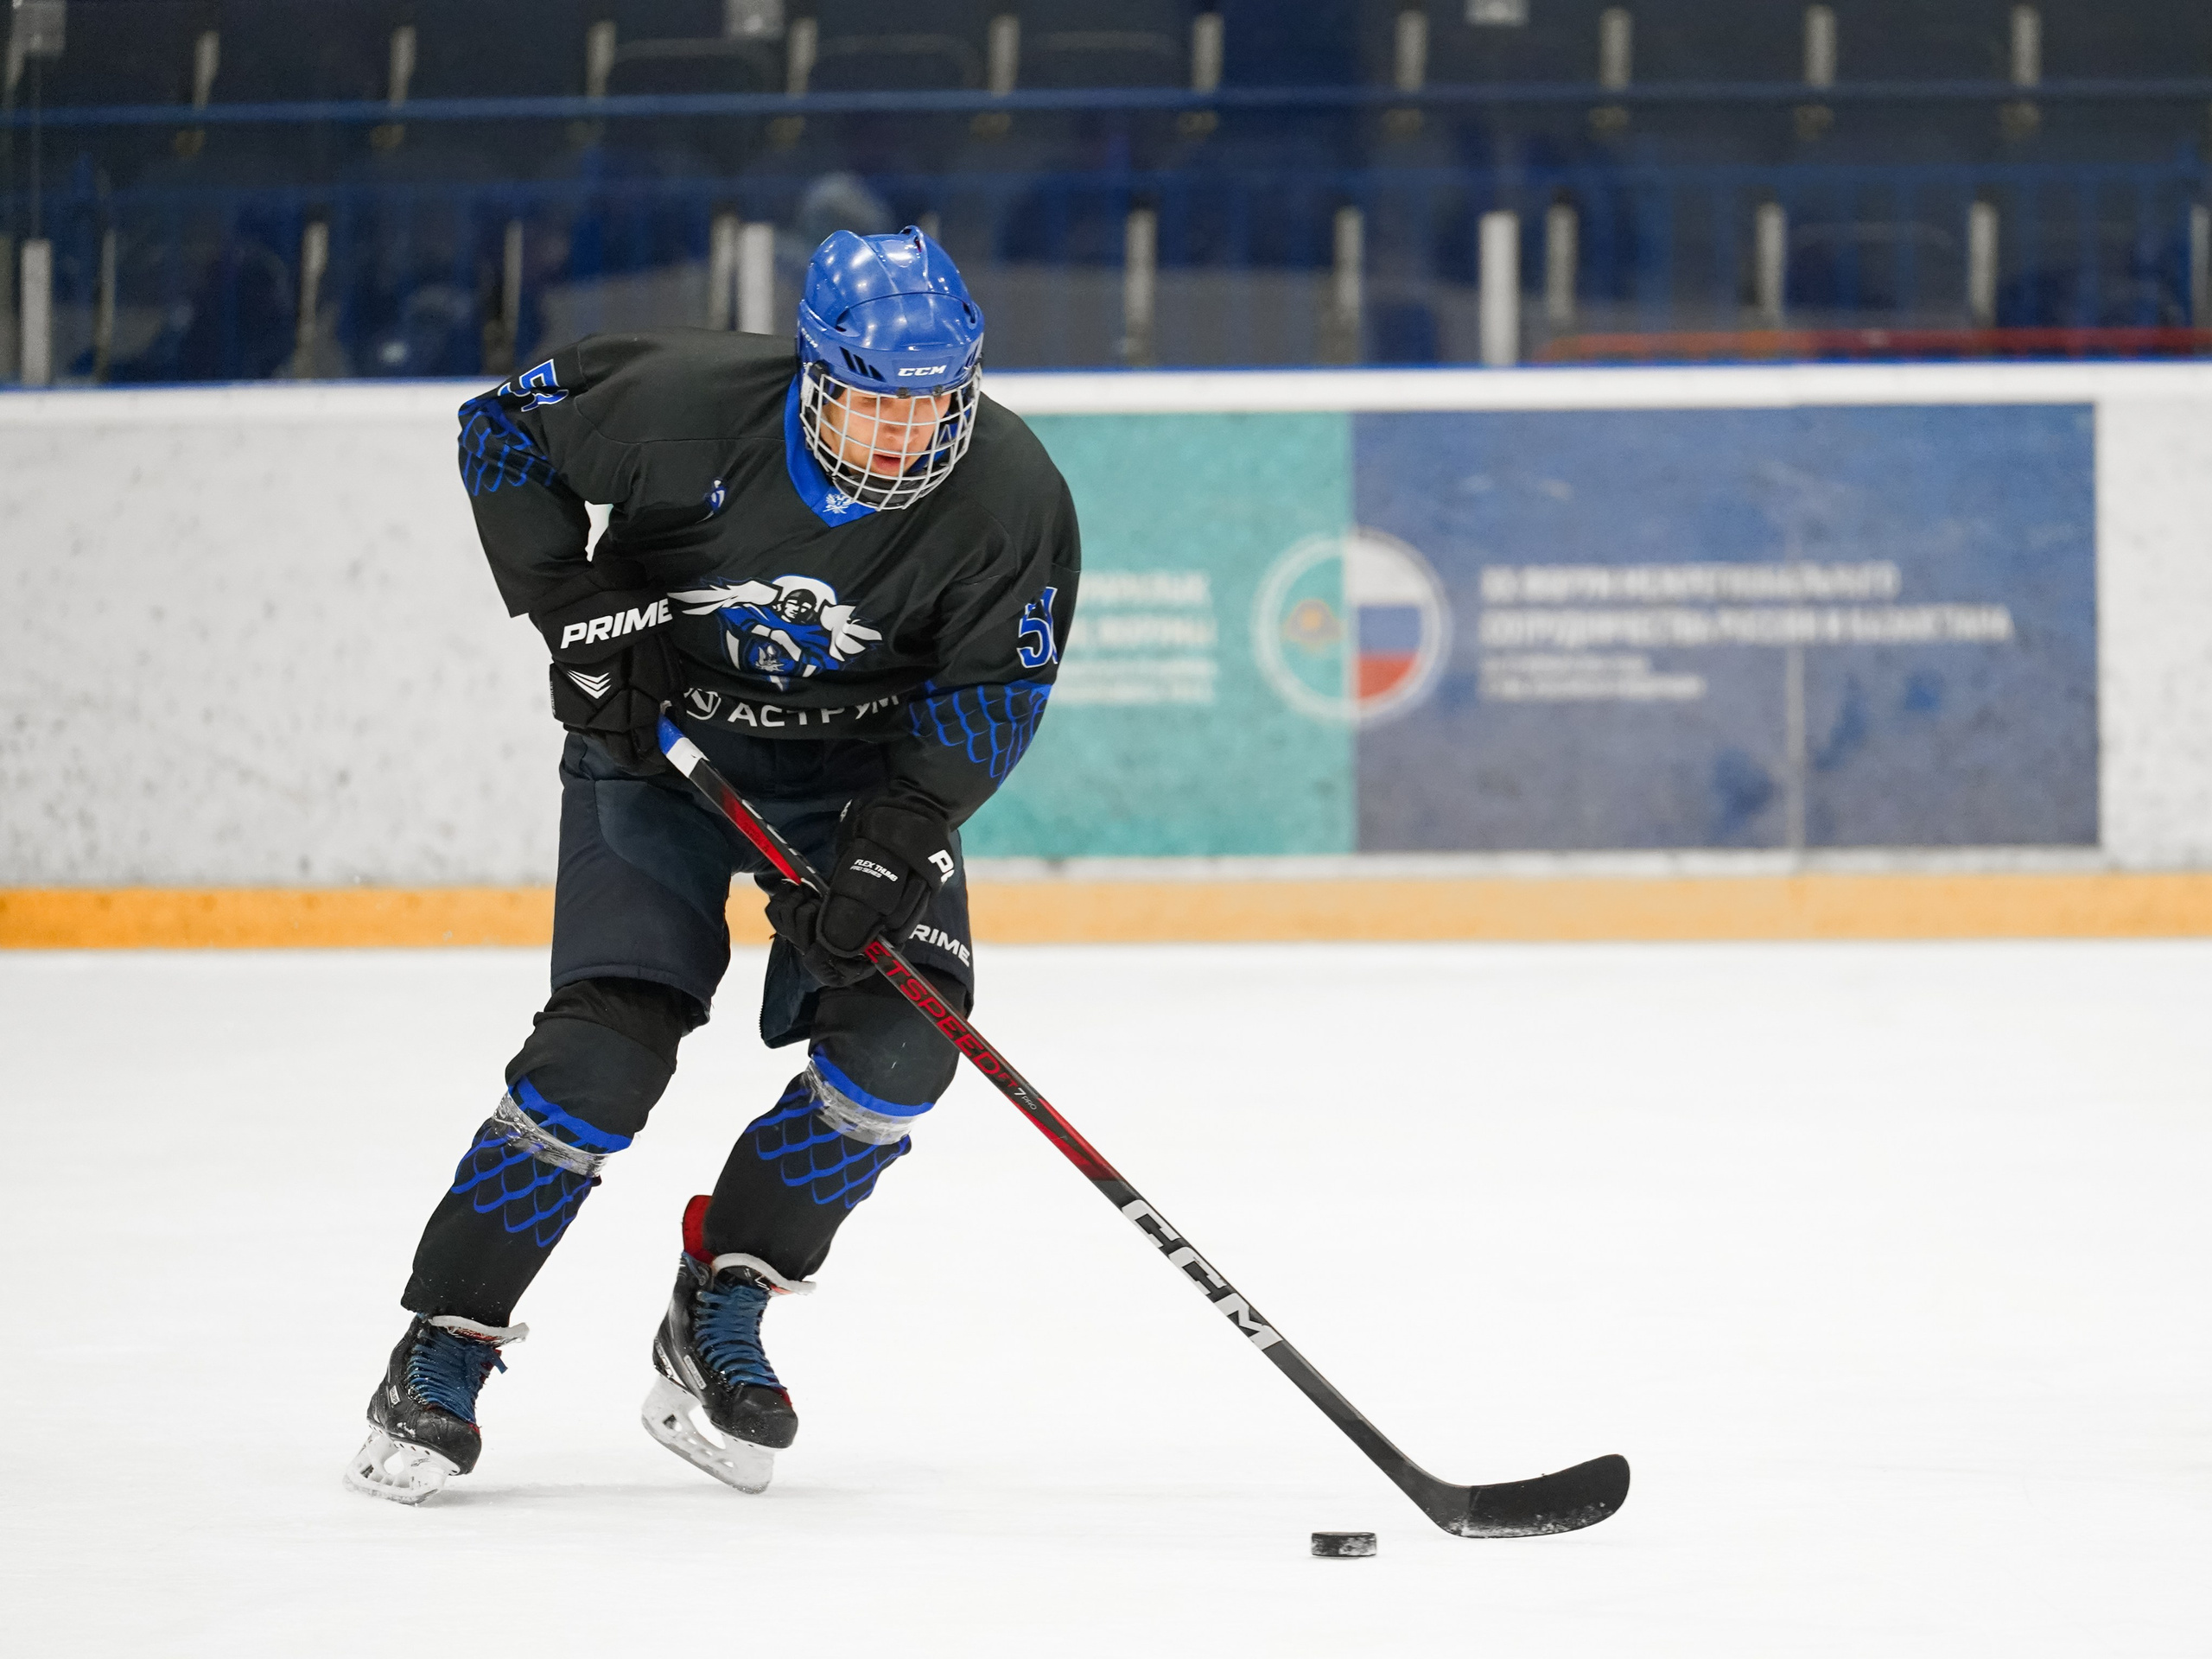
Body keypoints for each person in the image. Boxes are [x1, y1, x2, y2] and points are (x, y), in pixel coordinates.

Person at [343, 227, 1079, 1505]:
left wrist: (894, 844)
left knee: (904, 1050)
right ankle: (444, 1342)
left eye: (931, 407)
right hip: (661, 750)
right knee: (603, 1052)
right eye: (873, 405)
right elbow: (500, 431)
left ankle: (722, 1300)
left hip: (859, 786)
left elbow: (996, 689)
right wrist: (574, 616)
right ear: (812, 375)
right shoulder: (682, 401)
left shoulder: (1013, 495)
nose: (905, 438)